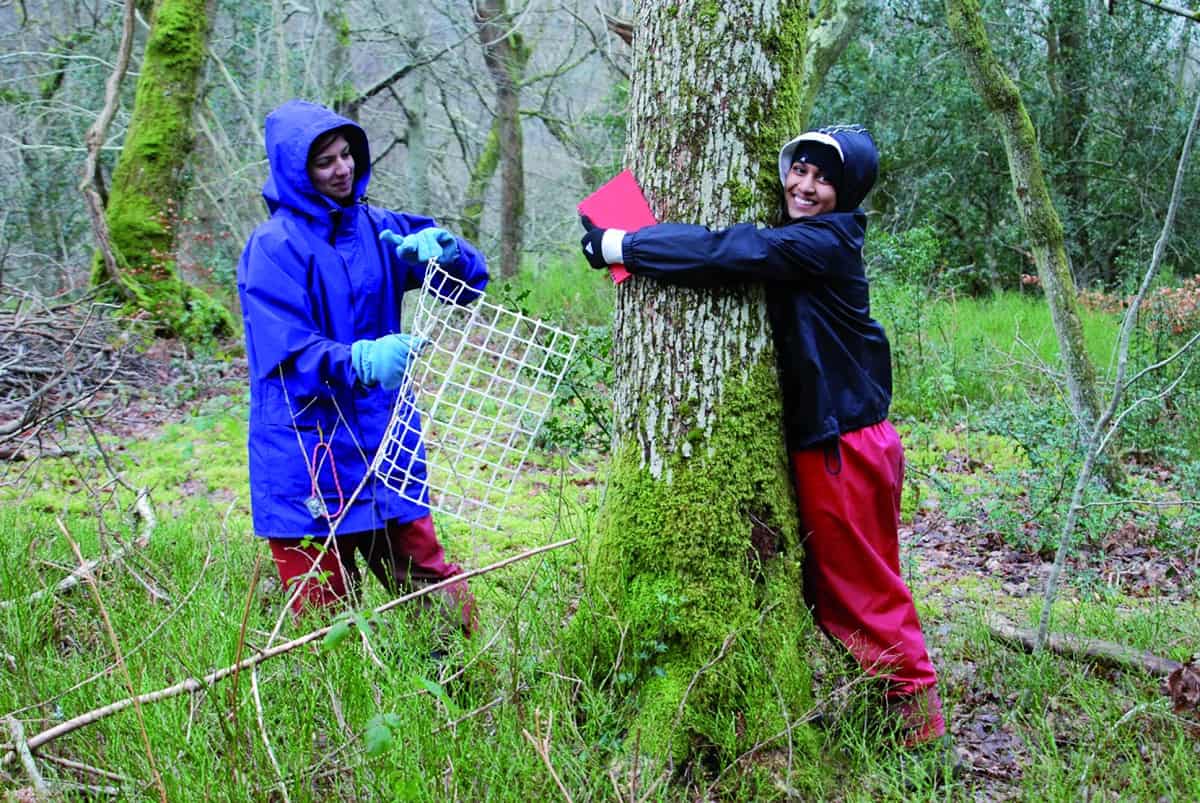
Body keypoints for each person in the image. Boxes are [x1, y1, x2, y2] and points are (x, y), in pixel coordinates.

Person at [578, 126, 947, 748]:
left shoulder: (824, 241)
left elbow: (729, 253)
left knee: (859, 588)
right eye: (798, 170)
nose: (804, 186)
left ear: (849, 190)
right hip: (855, 438)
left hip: (844, 445)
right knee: (851, 582)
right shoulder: (812, 238)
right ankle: (894, 709)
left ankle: (920, 733)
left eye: (825, 179)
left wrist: (623, 242)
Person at [237, 99, 487, 633]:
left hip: (383, 440)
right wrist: (358, 359)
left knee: (428, 581)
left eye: (347, 154)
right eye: (325, 161)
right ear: (296, 172)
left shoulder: (380, 229)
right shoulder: (272, 247)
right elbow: (282, 349)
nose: (342, 168)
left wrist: (448, 253)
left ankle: (466, 687)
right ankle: (341, 713)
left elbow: (469, 284)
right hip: (306, 449)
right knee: (325, 613)